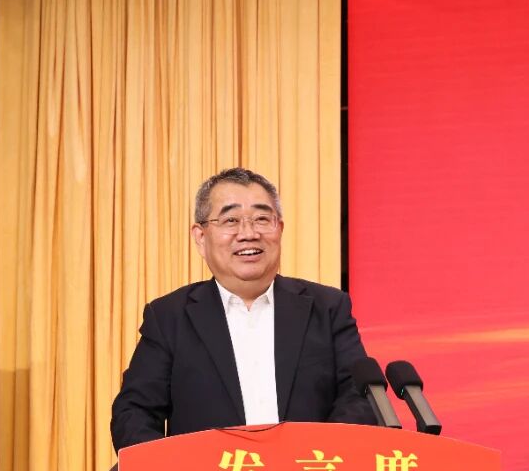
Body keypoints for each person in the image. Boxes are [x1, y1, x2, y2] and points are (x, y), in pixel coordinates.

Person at [110, 167, 375, 451]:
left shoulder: (328, 308)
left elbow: (360, 397)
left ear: (279, 229)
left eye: (262, 219)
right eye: (231, 220)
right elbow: (133, 413)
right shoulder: (169, 317)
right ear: (201, 237)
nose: (248, 233)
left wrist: (317, 456)